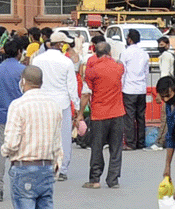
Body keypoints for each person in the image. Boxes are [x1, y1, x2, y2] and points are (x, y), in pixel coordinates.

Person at [1, 65, 63, 209]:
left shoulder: (18, 106)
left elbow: (12, 142)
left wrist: (4, 152)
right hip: (47, 167)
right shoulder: (53, 106)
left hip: (24, 167)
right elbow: (57, 142)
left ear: (24, 81)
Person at [30, 30, 80, 182]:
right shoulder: (66, 62)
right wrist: (77, 107)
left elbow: (34, 82)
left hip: (42, 103)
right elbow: (72, 86)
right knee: (63, 138)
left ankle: (44, 166)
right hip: (62, 104)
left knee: (43, 136)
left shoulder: (38, 60)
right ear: (60, 44)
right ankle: (62, 169)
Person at [80, 41, 125, 190]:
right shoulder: (119, 67)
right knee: (116, 148)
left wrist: (80, 114)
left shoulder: (92, 71)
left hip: (99, 113)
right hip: (117, 112)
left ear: (95, 53)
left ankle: (95, 179)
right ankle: (113, 180)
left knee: (97, 147)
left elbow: (87, 93)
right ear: (110, 52)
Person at [0, 39, 25, 203]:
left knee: (1, 153)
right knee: (20, 152)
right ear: (19, 52)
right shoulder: (24, 70)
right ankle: (20, 188)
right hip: (21, 117)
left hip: (2, 116)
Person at [120, 29, 150, 150]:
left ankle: (131, 143)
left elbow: (123, 72)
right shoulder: (144, 53)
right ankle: (141, 142)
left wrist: (121, 87)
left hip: (129, 88)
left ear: (129, 39)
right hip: (141, 89)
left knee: (129, 117)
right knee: (141, 117)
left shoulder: (125, 53)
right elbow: (146, 72)